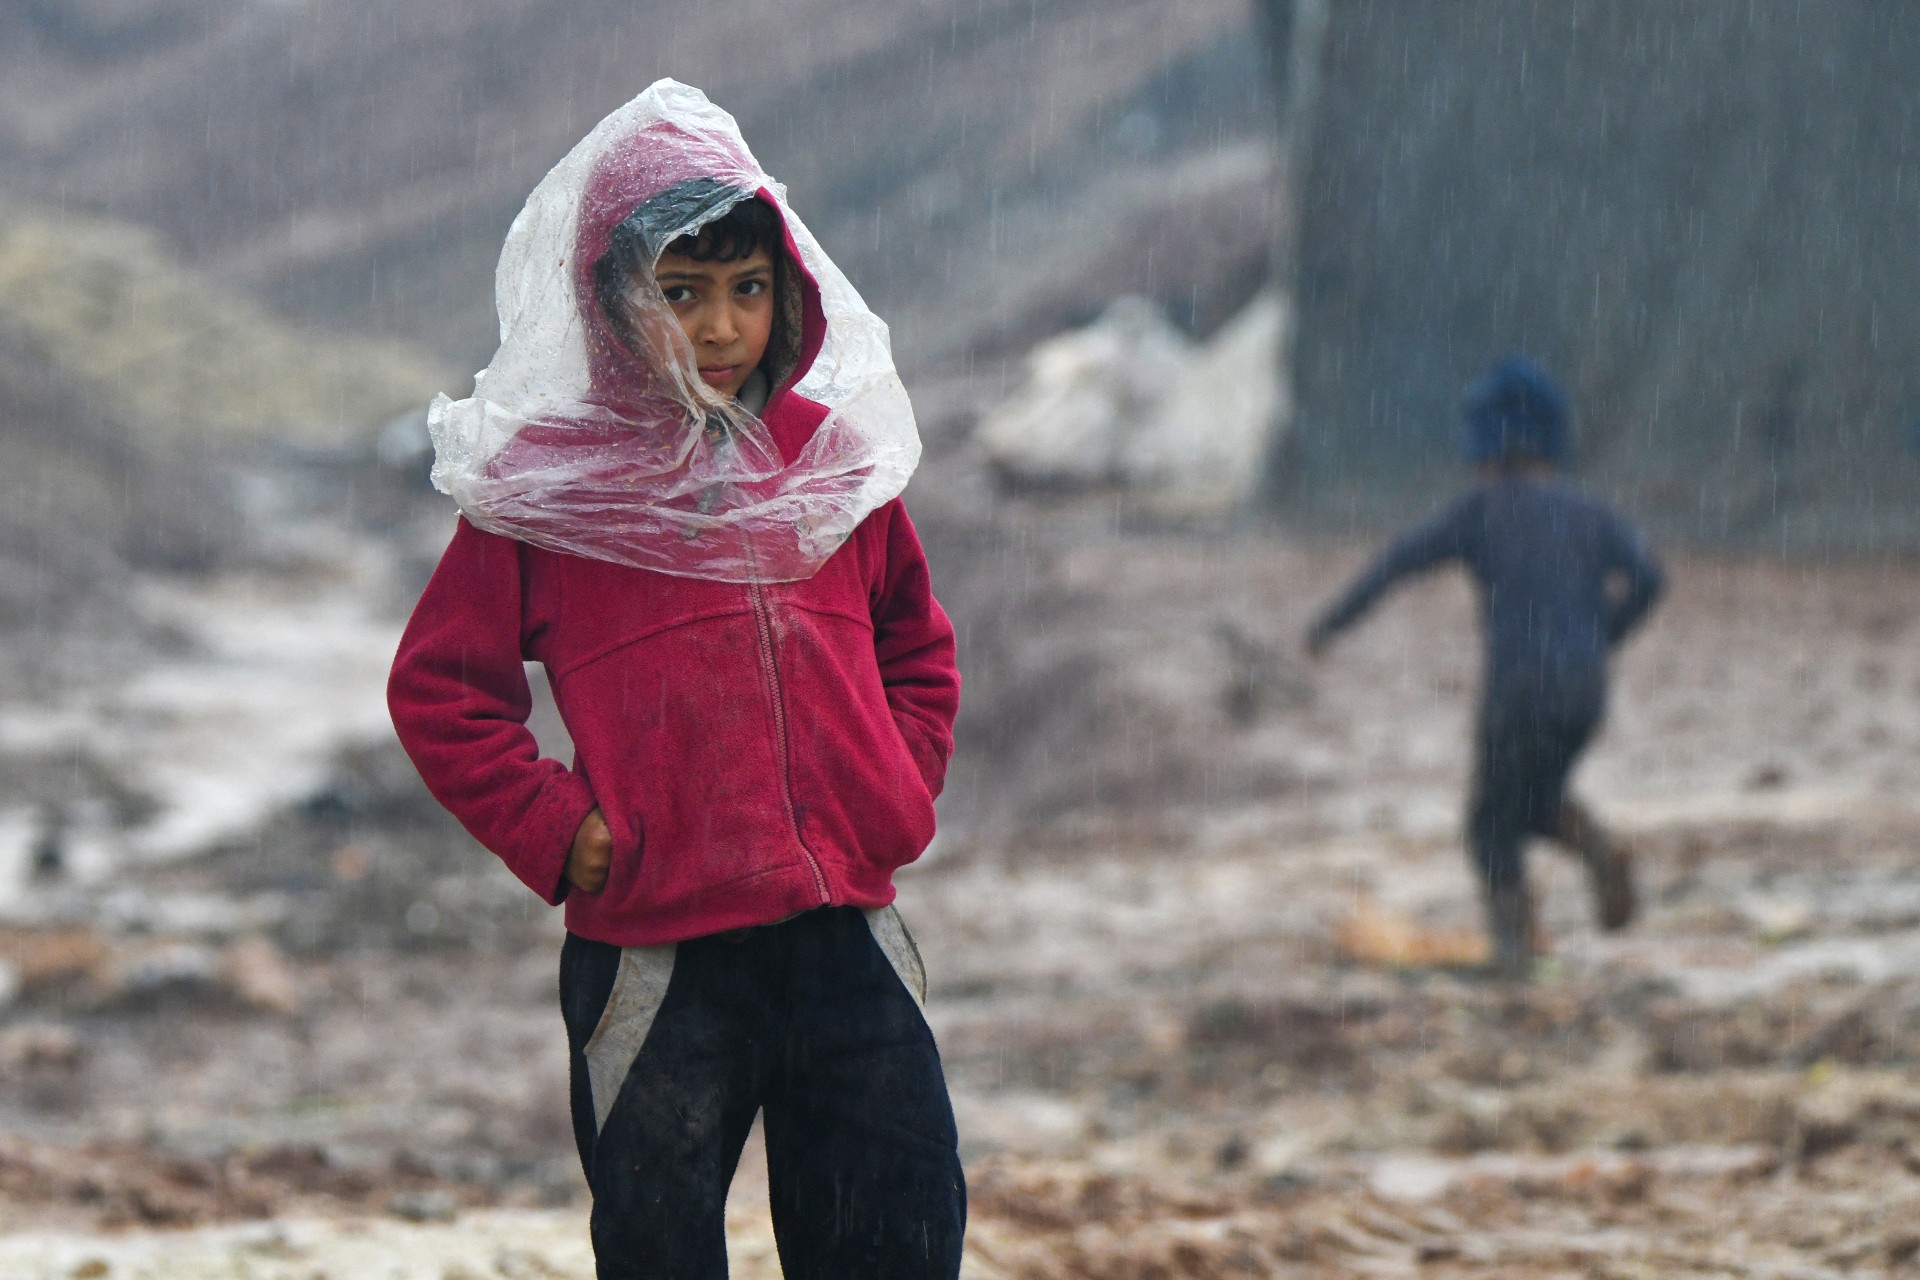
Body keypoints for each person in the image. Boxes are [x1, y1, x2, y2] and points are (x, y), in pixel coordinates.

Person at [388, 82, 964, 1278]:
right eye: (681, 292)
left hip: (845, 930)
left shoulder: (829, 461)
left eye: (747, 288)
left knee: (899, 1234)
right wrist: (559, 829)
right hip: (660, 956)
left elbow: (914, 643)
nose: (719, 327)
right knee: (658, 1250)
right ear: (610, 301)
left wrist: (893, 785)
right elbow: (442, 689)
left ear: (787, 290)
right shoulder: (551, 487)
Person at [1304, 357, 1664, 979]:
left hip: (1517, 689)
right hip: (1584, 690)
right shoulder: (1589, 512)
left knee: (1488, 827)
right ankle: (1599, 850)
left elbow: (1396, 564)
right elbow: (1651, 578)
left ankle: (1516, 954)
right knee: (1533, 801)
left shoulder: (1480, 511)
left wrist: (1331, 625)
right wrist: (1603, 636)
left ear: (1484, 441)